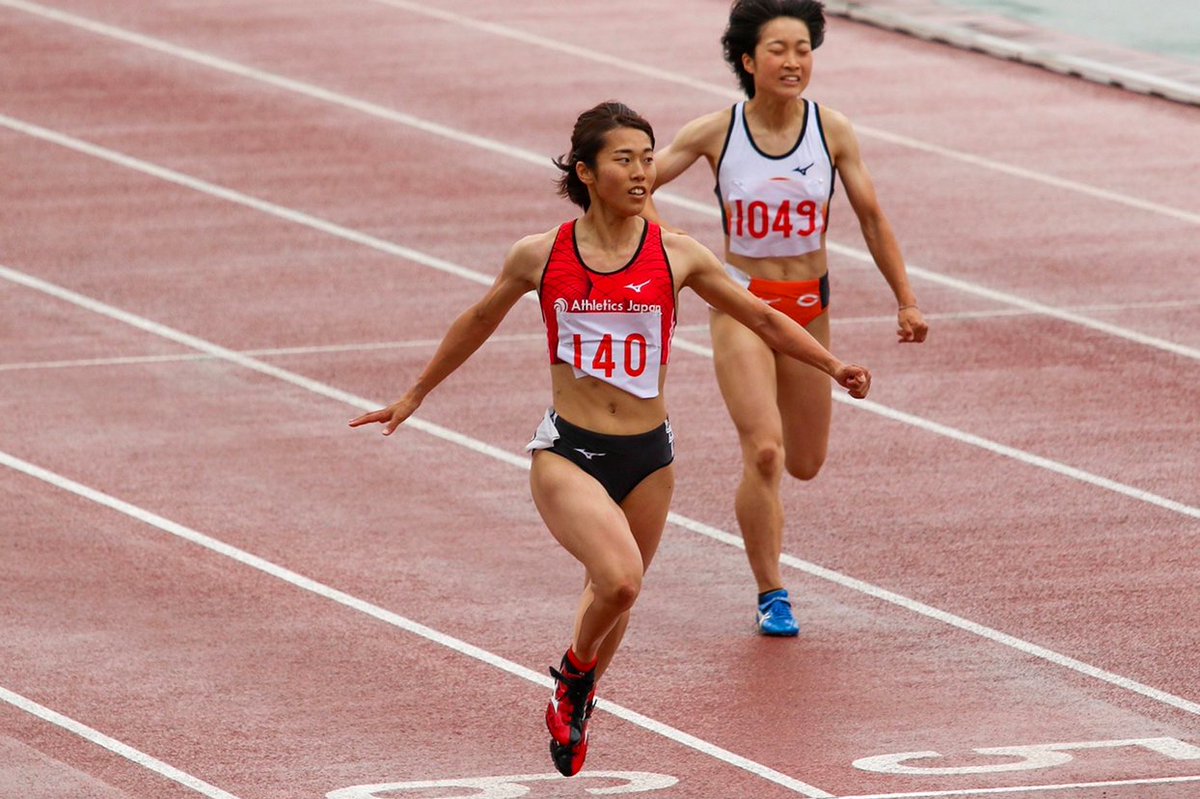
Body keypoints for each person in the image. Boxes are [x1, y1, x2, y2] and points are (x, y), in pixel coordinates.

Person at [349, 101, 870, 776]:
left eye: (649, 158)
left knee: (617, 593)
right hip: (569, 450)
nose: (641, 172)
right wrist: (416, 393)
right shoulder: (541, 255)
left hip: (649, 456)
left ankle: (581, 692)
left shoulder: (677, 253)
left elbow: (762, 319)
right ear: (586, 171)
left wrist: (832, 365)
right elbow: (478, 318)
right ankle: (572, 676)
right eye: (625, 159)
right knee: (620, 581)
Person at [642, 0, 928, 636]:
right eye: (779, 49)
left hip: (809, 307)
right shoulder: (716, 131)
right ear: (748, 60)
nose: (794, 61)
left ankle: (768, 559)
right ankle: (772, 592)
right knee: (765, 452)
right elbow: (637, 187)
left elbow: (873, 220)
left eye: (803, 49)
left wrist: (904, 297)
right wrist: (674, 251)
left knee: (804, 461)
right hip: (743, 305)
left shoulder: (833, 131)